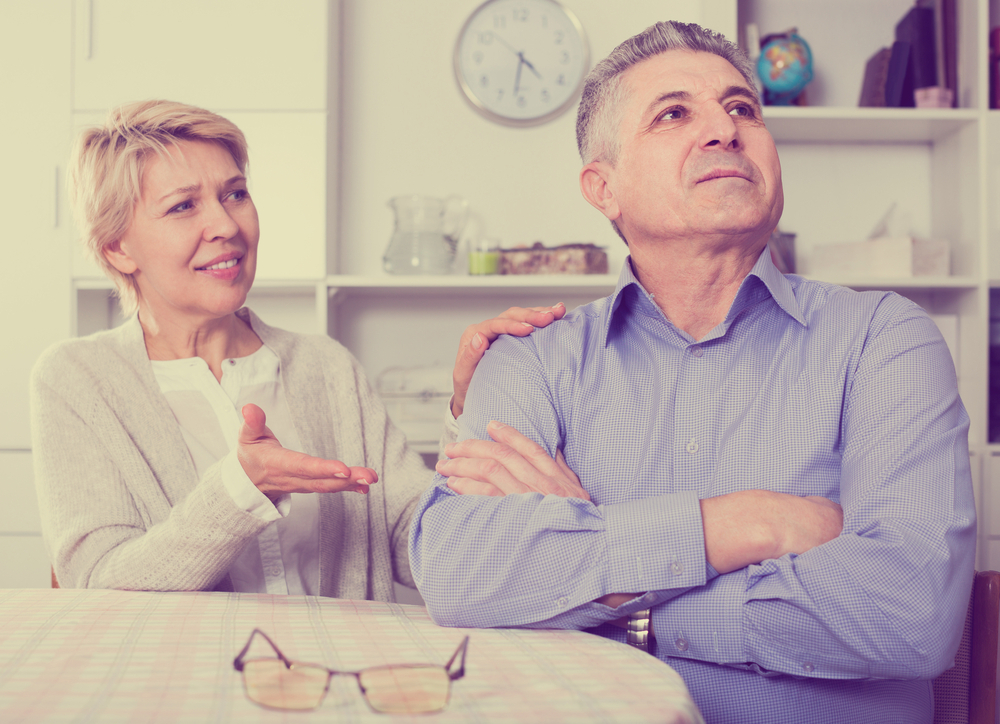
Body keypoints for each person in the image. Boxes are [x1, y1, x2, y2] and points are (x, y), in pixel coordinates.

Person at [408, 21, 976, 724]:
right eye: (674, 113)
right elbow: (462, 571)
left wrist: (616, 598)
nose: (725, 130)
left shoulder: (885, 341)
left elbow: (909, 611)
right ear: (603, 188)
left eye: (743, 108)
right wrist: (751, 523)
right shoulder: (531, 357)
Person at [31, 99, 565, 597]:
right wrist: (240, 490)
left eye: (234, 193)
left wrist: (470, 409)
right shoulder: (76, 378)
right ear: (117, 247)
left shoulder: (325, 365)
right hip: (181, 686)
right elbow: (96, 582)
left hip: (340, 676)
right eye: (183, 206)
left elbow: (415, 535)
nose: (225, 224)